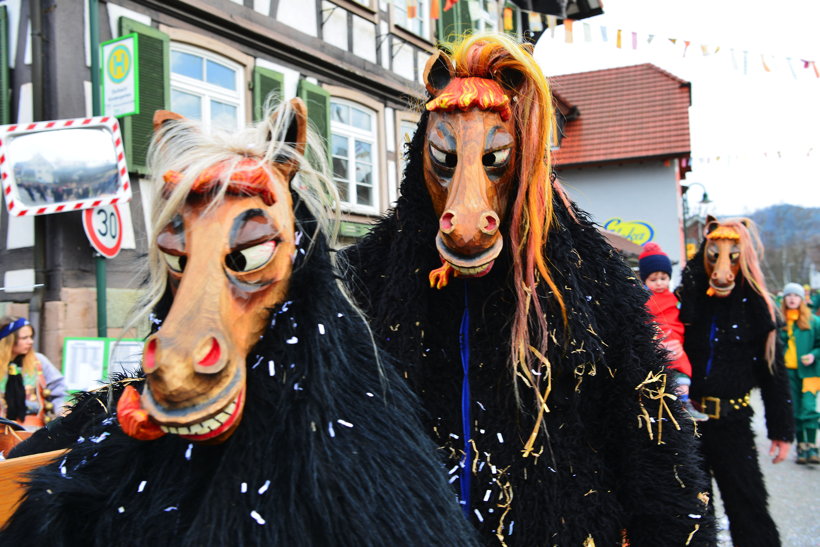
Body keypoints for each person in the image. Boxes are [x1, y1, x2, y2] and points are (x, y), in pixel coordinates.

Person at [639, 243, 709, 421]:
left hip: (676, 341)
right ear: (644, 281)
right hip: (657, 342)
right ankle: (673, 405)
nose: (660, 283)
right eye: (653, 279)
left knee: (683, 370)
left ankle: (684, 402)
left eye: (663, 278)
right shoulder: (644, 300)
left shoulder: (675, 297)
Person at [0, 316, 68, 427]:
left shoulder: (39, 361)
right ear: (8, 340)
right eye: (24, 338)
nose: (30, 342)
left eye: (31, 337)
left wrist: (63, 410)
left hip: (34, 432)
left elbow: (59, 392)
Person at [779, 283, 820, 464]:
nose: (792, 299)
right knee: (793, 410)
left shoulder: (813, 321)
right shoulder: (780, 321)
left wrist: (813, 355)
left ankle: (812, 446)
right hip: (788, 373)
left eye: (796, 296)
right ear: (785, 299)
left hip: (810, 373)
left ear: (802, 299)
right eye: (789, 296)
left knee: (809, 408)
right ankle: (801, 446)